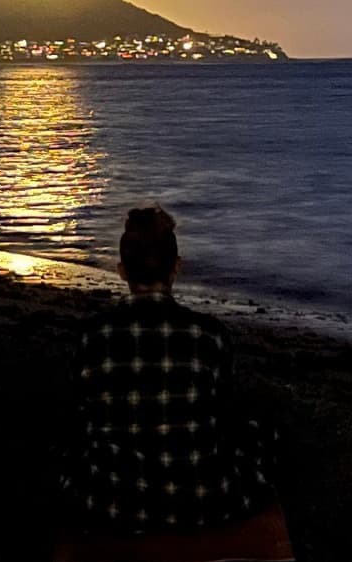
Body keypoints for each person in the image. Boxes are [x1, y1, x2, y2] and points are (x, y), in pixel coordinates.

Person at [68, 205, 272, 534]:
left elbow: (81, 411)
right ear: (176, 267)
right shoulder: (208, 335)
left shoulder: (93, 335)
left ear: (121, 271)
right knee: (259, 435)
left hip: (112, 501)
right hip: (204, 502)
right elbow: (223, 411)